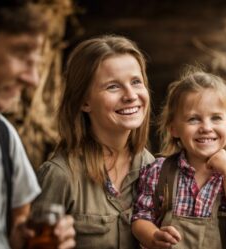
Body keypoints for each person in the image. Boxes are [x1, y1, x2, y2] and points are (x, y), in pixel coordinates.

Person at [32, 35, 155, 248]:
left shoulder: (150, 167)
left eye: (136, 82)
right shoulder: (60, 176)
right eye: (113, 87)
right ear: (84, 102)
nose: (130, 95)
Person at [132, 69, 226, 249]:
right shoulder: (158, 171)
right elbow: (140, 219)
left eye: (216, 118)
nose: (206, 127)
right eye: (194, 119)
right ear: (173, 128)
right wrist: (153, 236)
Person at [0, 2, 75, 249]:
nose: (33, 78)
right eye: (20, 53)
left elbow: (15, 226)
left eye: (36, 62)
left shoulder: (2, 135)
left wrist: (28, 239)